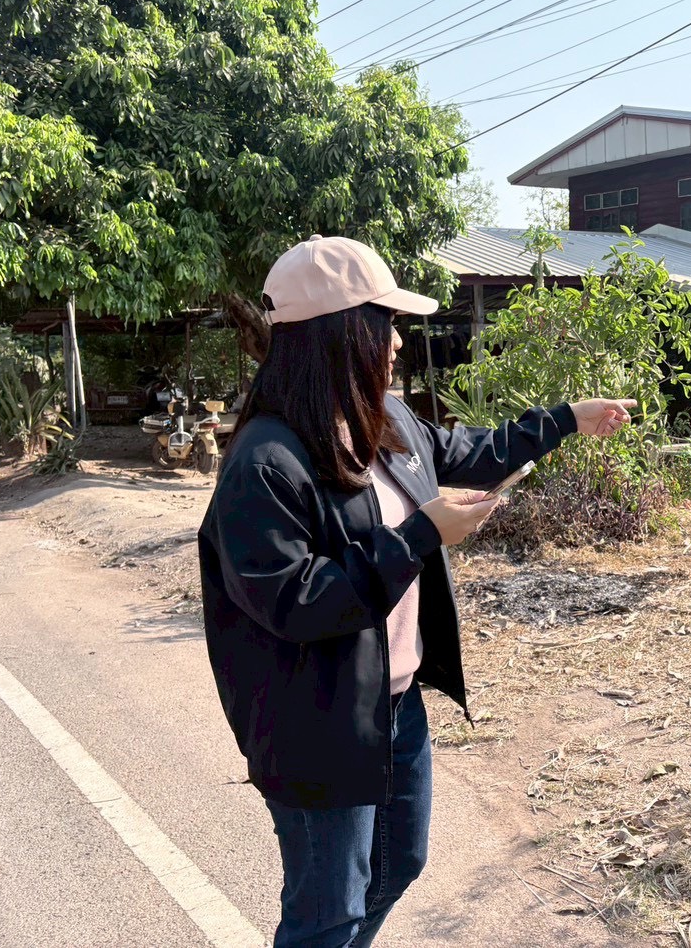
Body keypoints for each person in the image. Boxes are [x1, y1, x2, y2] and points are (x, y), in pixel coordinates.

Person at [198, 235, 634, 948]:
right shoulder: (265, 462)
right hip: (313, 722)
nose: (398, 342)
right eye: (386, 324)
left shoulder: (386, 420)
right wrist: (419, 536)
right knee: (326, 910)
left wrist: (566, 420)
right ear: (342, 334)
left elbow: (467, 455)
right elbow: (295, 604)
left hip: (391, 706)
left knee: (398, 864)